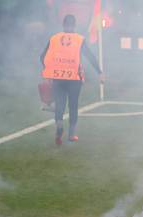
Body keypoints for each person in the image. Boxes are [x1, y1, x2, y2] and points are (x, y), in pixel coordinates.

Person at [40, 14, 103, 145]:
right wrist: (100, 72)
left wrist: (50, 72)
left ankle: (59, 126)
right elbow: (90, 57)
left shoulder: (54, 38)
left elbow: (42, 57)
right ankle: (71, 134)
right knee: (73, 105)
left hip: (57, 77)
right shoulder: (79, 40)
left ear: (63, 25)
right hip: (74, 78)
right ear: (74, 25)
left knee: (59, 104)